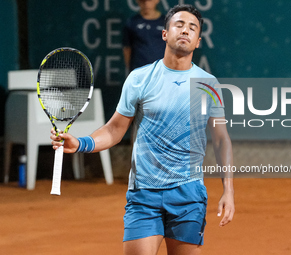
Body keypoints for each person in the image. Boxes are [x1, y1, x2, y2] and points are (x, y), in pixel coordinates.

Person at [51, 4, 234, 255]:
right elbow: (115, 129)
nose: (185, 31)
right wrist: (81, 143)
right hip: (143, 194)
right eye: (179, 25)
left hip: (189, 194)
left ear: (198, 41)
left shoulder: (209, 85)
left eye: (192, 28)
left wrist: (228, 190)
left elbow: (221, 140)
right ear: (165, 34)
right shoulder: (139, 78)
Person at [123, 0, 166, 73]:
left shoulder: (167, 22)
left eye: (149, 1)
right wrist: (131, 72)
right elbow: (127, 49)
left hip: (162, 71)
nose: (146, 4)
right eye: (143, 1)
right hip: (139, 71)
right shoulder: (131, 23)